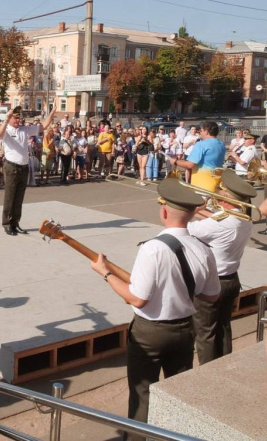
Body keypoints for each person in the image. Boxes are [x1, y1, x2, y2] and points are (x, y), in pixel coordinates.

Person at [90, 179, 220, 438]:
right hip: (184, 329)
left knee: (142, 393)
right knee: (176, 392)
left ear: (163, 212)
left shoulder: (153, 249)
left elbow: (137, 298)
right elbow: (212, 295)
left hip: (150, 332)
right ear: (193, 214)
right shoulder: (204, 249)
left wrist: (105, 273)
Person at [186, 170, 254, 364]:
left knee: (205, 333)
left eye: (221, 193)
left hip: (212, 282)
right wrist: (199, 210)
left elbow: (186, 229)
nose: (217, 194)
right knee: (223, 327)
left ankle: (208, 373)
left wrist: (190, 208)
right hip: (232, 279)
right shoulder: (244, 218)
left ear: (226, 199)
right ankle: (224, 367)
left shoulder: (220, 224)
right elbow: (215, 220)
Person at [0, 105, 55, 235]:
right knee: (10, 197)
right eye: (16, 118)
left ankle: (15, 222)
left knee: (19, 198)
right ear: (10, 119)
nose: (19, 121)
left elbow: (43, 126)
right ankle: (7, 223)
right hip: (12, 166)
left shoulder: (24, 129)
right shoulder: (7, 130)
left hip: (23, 167)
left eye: (19, 118)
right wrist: (6, 119)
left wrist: (52, 112)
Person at [174, 121, 226, 192]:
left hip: (202, 185)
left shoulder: (201, 144)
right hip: (217, 184)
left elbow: (190, 164)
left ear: (206, 132)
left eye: (201, 130)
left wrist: (175, 162)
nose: (199, 132)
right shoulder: (221, 144)